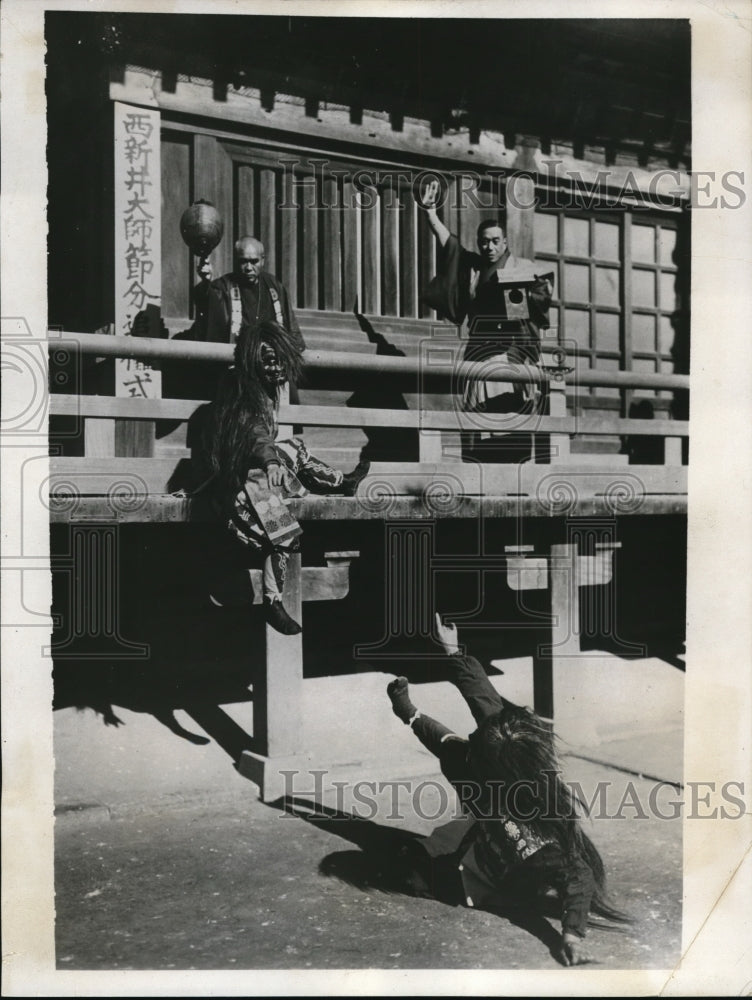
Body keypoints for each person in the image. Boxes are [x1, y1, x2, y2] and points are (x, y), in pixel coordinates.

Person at [386, 613, 632, 966]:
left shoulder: (534, 835)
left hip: (498, 870)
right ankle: (411, 715)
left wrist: (570, 936)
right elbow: (482, 698)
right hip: (489, 822)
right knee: (455, 747)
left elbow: (579, 876)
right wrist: (452, 652)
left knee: (410, 873)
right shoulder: (507, 744)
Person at [206, 319, 369, 635]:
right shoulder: (242, 391)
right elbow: (253, 432)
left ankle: (342, 482)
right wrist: (270, 462)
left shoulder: (261, 387)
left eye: (281, 359)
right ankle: (273, 601)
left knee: (295, 447)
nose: (276, 367)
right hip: (238, 485)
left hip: (257, 471)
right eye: (269, 360)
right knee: (283, 533)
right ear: (253, 359)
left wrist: (272, 461)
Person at [420, 180, 554, 462]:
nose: (489, 246)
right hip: (479, 351)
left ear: (505, 243)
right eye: (484, 241)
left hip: (512, 352)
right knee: (477, 420)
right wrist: (431, 214)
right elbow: (450, 245)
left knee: (509, 419)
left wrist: (534, 293)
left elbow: (538, 303)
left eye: (495, 241)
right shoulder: (475, 269)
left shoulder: (521, 269)